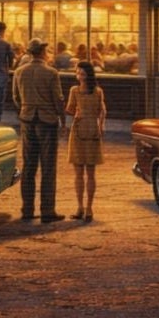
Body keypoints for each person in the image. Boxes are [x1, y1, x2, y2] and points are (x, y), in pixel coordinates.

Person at [13, 39, 68, 222]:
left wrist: (25, 110)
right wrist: (62, 120)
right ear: (43, 52)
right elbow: (58, 99)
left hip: (27, 121)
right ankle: (47, 211)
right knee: (48, 167)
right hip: (47, 122)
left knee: (28, 166)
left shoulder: (20, 72)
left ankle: (27, 209)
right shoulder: (51, 73)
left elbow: (15, 97)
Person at [65, 61, 107, 220]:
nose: (79, 76)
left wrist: (74, 112)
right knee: (89, 173)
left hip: (79, 130)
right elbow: (102, 110)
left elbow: (69, 109)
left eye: (81, 73)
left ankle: (82, 207)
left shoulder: (74, 90)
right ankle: (87, 208)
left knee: (80, 173)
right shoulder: (98, 91)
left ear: (88, 75)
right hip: (92, 130)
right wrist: (101, 125)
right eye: (78, 73)